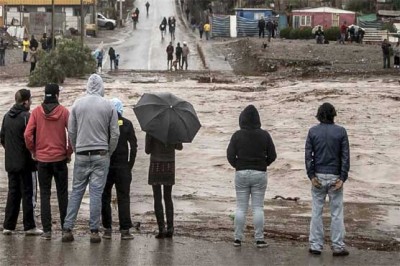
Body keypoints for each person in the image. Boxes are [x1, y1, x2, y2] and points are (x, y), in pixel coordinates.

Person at [62, 74, 120, 243]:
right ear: (102, 87)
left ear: (87, 86)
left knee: (76, 192)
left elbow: (71, 131)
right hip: (101, 154)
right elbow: (115, 133)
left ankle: (67, 228)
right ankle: (94, 231)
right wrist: (108, 151)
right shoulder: (109, 106)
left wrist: (76, 147)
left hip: (81, 154)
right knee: (96, 193)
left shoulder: (77, 104)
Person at [24, 84, 72, 240]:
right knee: (62, 194)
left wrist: (33, 151)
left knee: (44, 195)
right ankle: (66, 229)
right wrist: (69, 152)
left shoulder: (37, 112)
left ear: (45, 95)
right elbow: (72, 133)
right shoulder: (64, 112)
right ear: (57, 96)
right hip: (60, 159)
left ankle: (47, 231)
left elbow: (27, 135)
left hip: (42, 160)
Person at [227, 105, 276, 248]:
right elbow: (273, 155)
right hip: (259, 173)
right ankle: (259, 239)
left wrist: (237, 165)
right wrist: (263, 164)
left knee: (241, 208)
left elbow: (230, 155)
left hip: (241, 172)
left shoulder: (237, 135)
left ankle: (237, 238)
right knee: (258, 208)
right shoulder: (265, 135)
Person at [305, 102, 350, 257]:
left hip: (318, 174)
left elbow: (308, 156)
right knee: (336, 212)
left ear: (319, 115)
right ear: (333, 114)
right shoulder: (341, 132)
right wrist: (343, 177)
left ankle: (316, 245)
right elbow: (345, 157)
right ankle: (338, 246)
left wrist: (311, 175)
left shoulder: (312, 132)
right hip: (335, 176)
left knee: (316, 211)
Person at [1, 89, 43, 236]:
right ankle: (29, 226)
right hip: (26, 164)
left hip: (11, 163)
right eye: (30, 100)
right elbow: (33, 138)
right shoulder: (27, 117)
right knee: (29, 194)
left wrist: (12, 153)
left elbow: (3, 139)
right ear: (25, 101)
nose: (31, 102)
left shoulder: (6, 116)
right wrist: (34, 154)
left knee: (13, 194)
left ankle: (8, 226)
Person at [102, 98, 137, 240]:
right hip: (123, 167)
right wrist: (130, 165)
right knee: (124, 197)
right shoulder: (127, 124)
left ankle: (107, 229)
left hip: (107, 166)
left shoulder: (105, 124)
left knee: (105, 197)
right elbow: (134, 146)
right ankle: (125, 230)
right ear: (121, 109)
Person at [145, 134, 183, 238]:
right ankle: (170, 228)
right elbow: (179, 147)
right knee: (168, 197)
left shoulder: (151, 129)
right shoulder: (174, 129)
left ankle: (161, 229)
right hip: (169, 165)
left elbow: (147, 150)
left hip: (155, 164)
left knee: (157, 197)